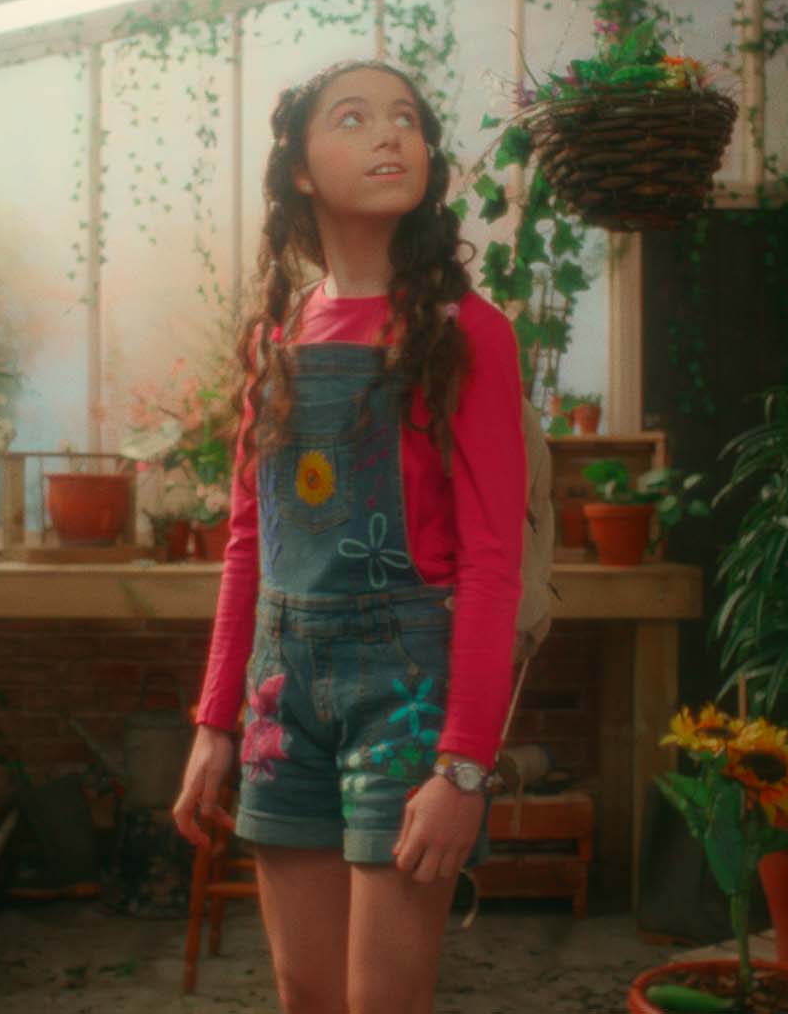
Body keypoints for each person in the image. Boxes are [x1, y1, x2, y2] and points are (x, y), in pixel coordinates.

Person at [171, 58, 527, 1014]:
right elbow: (249, 543)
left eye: (406, 118)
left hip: (407, 696)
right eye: (356, 118)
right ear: (297, 169)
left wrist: (464, 765)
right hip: (282, 697)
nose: (389, 135)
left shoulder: (465, 332)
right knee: (306, 997)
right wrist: (215, 721)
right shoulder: (275, 339)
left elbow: (496, 566)